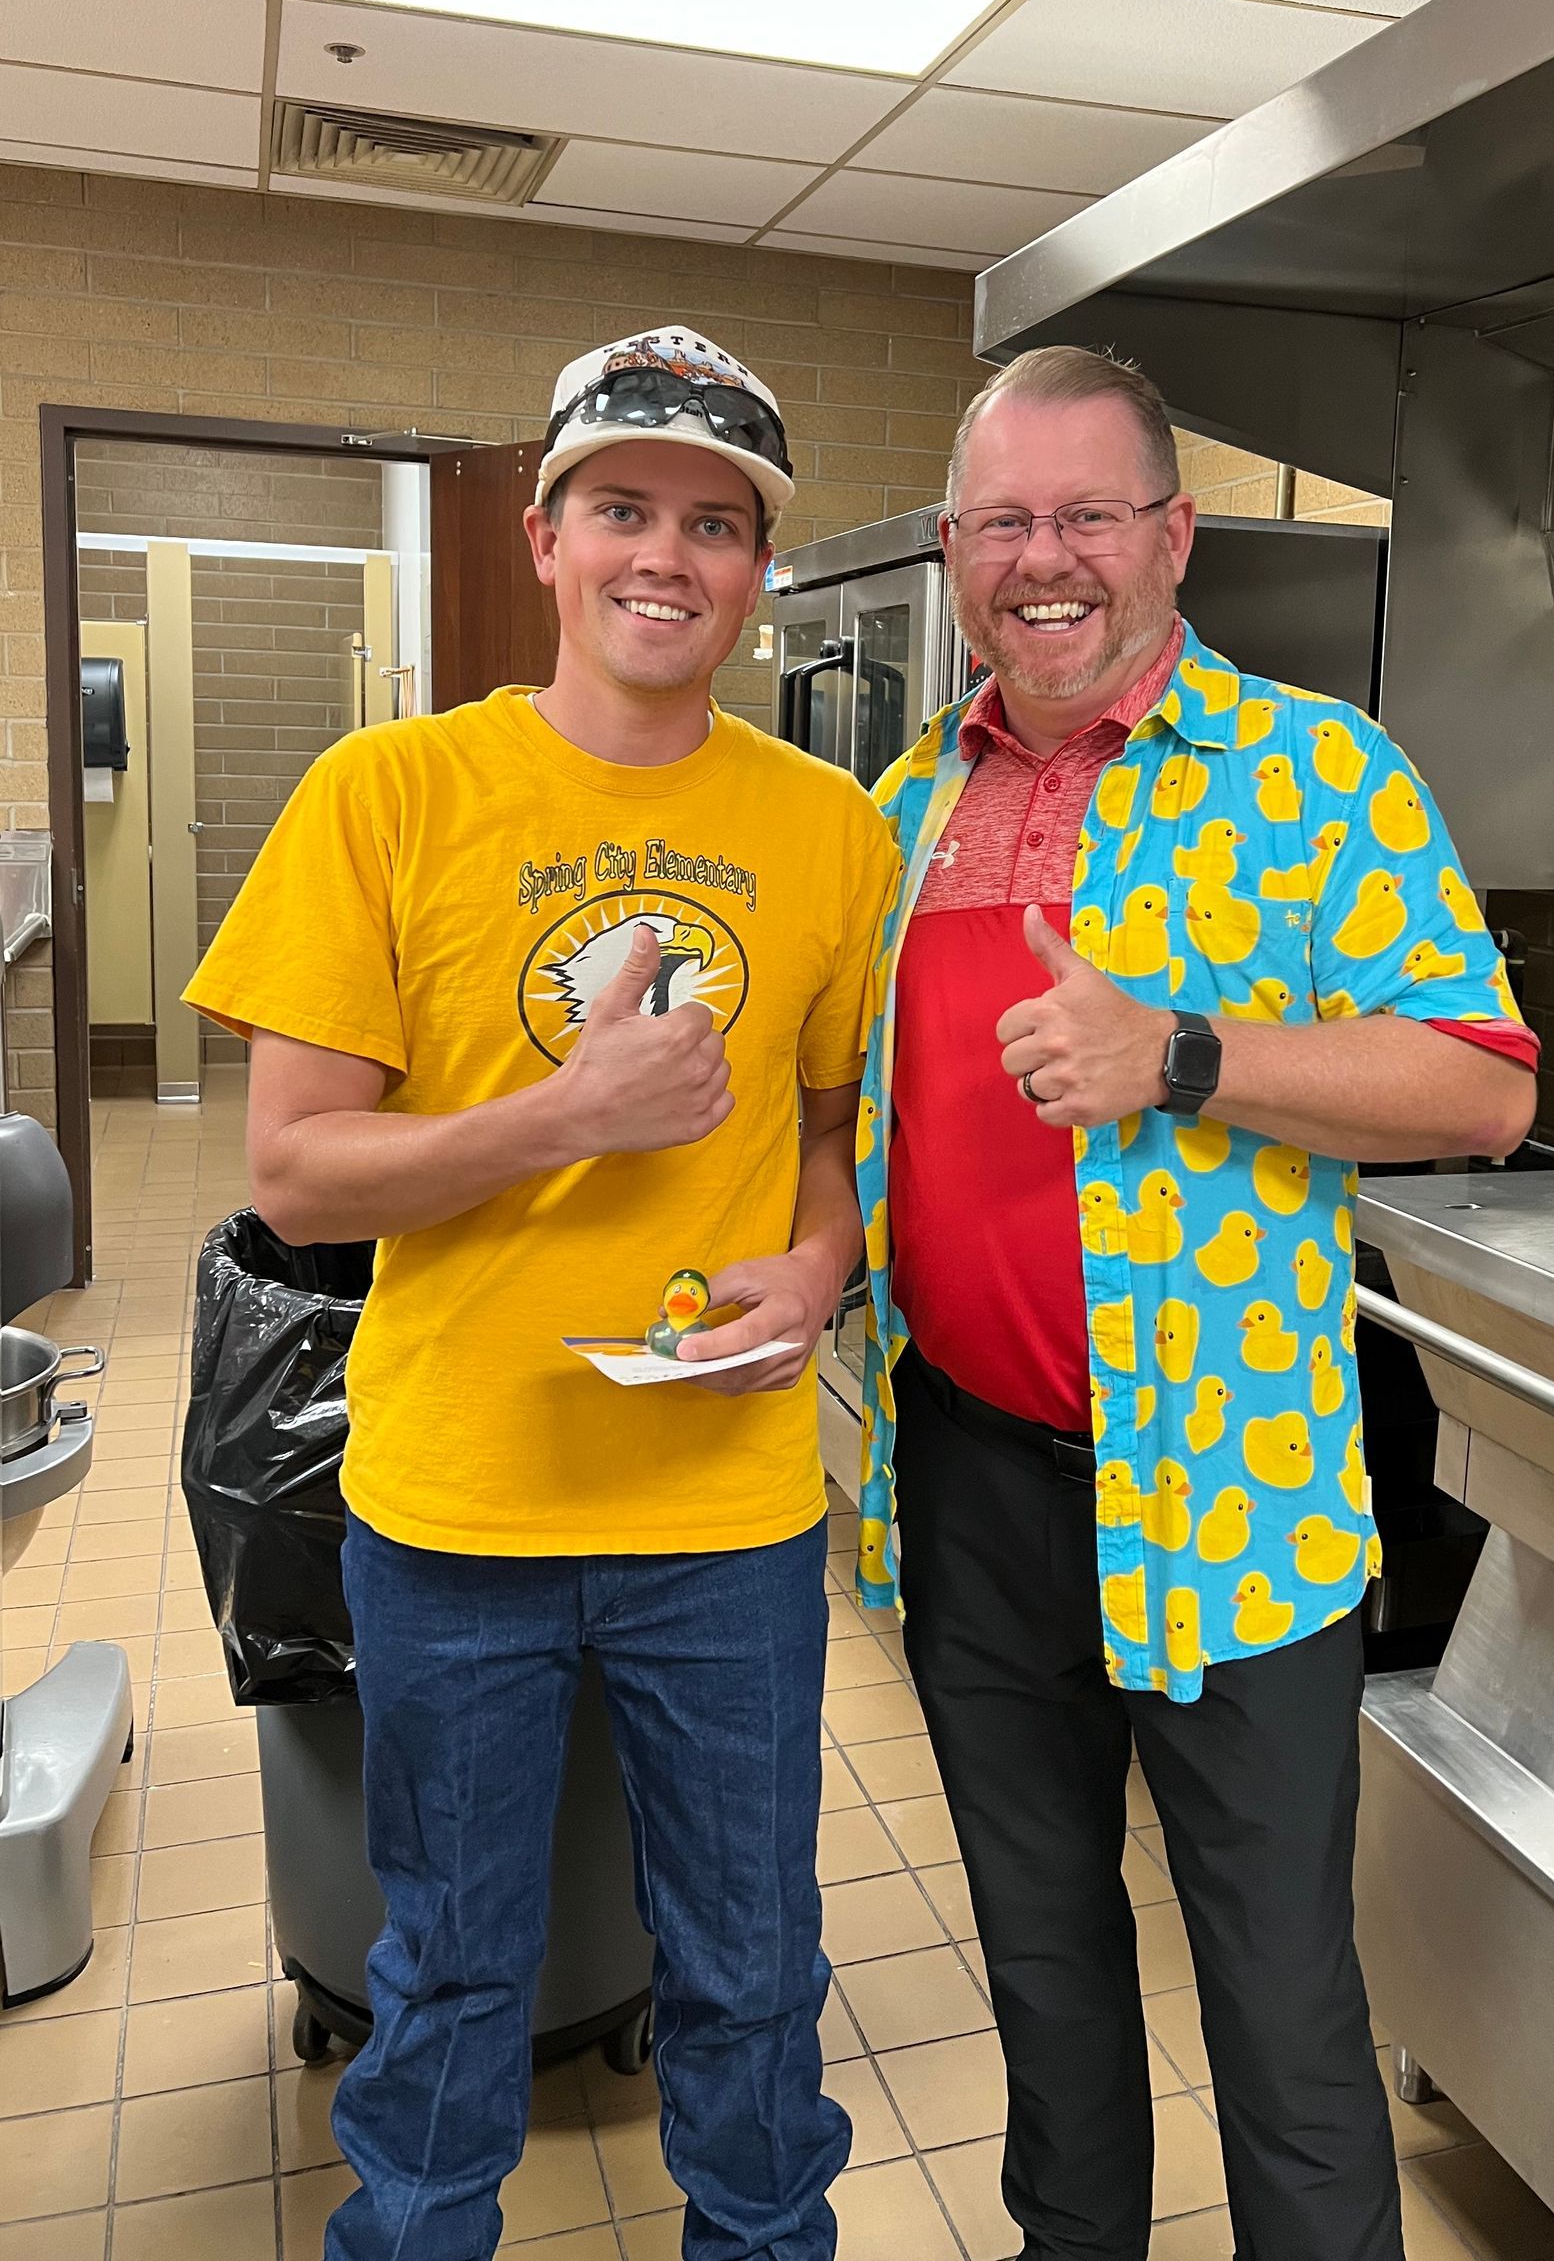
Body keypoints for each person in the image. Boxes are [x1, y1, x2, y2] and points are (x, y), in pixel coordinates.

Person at [187, 325, 899, 2261]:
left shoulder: (829, 831)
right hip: (459, 1499)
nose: (667, 554)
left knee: (749, 1967)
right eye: (624, 508)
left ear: (758, 568)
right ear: (547, 536)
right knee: (449, 1970)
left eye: (715, 521)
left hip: (727, 1509)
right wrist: (569, 1110)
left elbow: (833, 1137)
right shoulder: (388, 791)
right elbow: (296, 1170)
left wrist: (824, 1263)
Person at [852, 346, 1539, 2261]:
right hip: (974, 1489)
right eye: (1005, 521)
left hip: (1227, 1493)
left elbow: (1485, 1085)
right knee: (1046, 1974)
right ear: (952, 550)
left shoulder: (1318, 772)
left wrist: (1186, 1055)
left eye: (1086, 515)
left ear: (1172, 539)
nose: (1043, 557)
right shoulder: (910, 799)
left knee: (1278, 2000)